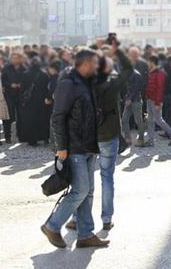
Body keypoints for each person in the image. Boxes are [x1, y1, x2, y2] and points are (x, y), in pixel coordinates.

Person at [41, 49, 109, 249]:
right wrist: (61, 146)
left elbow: (88, 111)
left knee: (87, 192)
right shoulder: (68, 83)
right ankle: (52, 225)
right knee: (81, 189)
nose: (97, 67)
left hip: (88, 144)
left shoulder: (86, 83)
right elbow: (58, 116)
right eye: (95, 64)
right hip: (74, 145)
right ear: (86, 64)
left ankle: (85, 233)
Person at [67, 39, 133, 232]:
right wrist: (117, 49)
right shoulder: (112, 83)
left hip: (87, 135)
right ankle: (106, 218)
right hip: (108, 135)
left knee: (83, 181)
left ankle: (76, 218)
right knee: (107, 178)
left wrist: (95, 49)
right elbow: (129, 69)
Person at [142, 55, 171, 147]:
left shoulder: (160, 73)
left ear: (152, 62)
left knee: (158, 120)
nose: (147, 63)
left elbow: (160, 89)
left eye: (148, 61)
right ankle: (151, 140)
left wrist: (158, 102)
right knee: (150, 120)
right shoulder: (152, 72)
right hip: (150, 99)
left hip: (155, 100)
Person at [20, 57, 51, 146]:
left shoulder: (25, 74)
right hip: (42, 101)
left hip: (30, 102)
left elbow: (22, 89)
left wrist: (22, 100)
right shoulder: (44, 74)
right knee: (43, 120)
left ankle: (32, 140)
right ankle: (45, 138)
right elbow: (47, 88)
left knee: (31, 121)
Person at [2, 53, 25, 143]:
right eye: (13, 58)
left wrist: (21, 84)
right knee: (9, 116)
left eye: (17, 58)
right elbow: (3, 80)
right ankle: (7, 136)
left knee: (20, 116)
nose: (15, 60)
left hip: (20, 95)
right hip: (9, 95)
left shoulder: (24, 68)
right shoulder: (6, 68)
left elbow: (27, 80)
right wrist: (10, 85)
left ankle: (20, 134)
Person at [122, 64, 146, 145]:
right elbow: (129, 88)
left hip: (136, 101)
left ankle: (141, 139)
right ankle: (127, 139)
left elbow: (136, 88)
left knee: (138, 121)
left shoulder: (136, 74)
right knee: (124, 119)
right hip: (131, 100)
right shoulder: (130, 74)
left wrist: (129, 99)